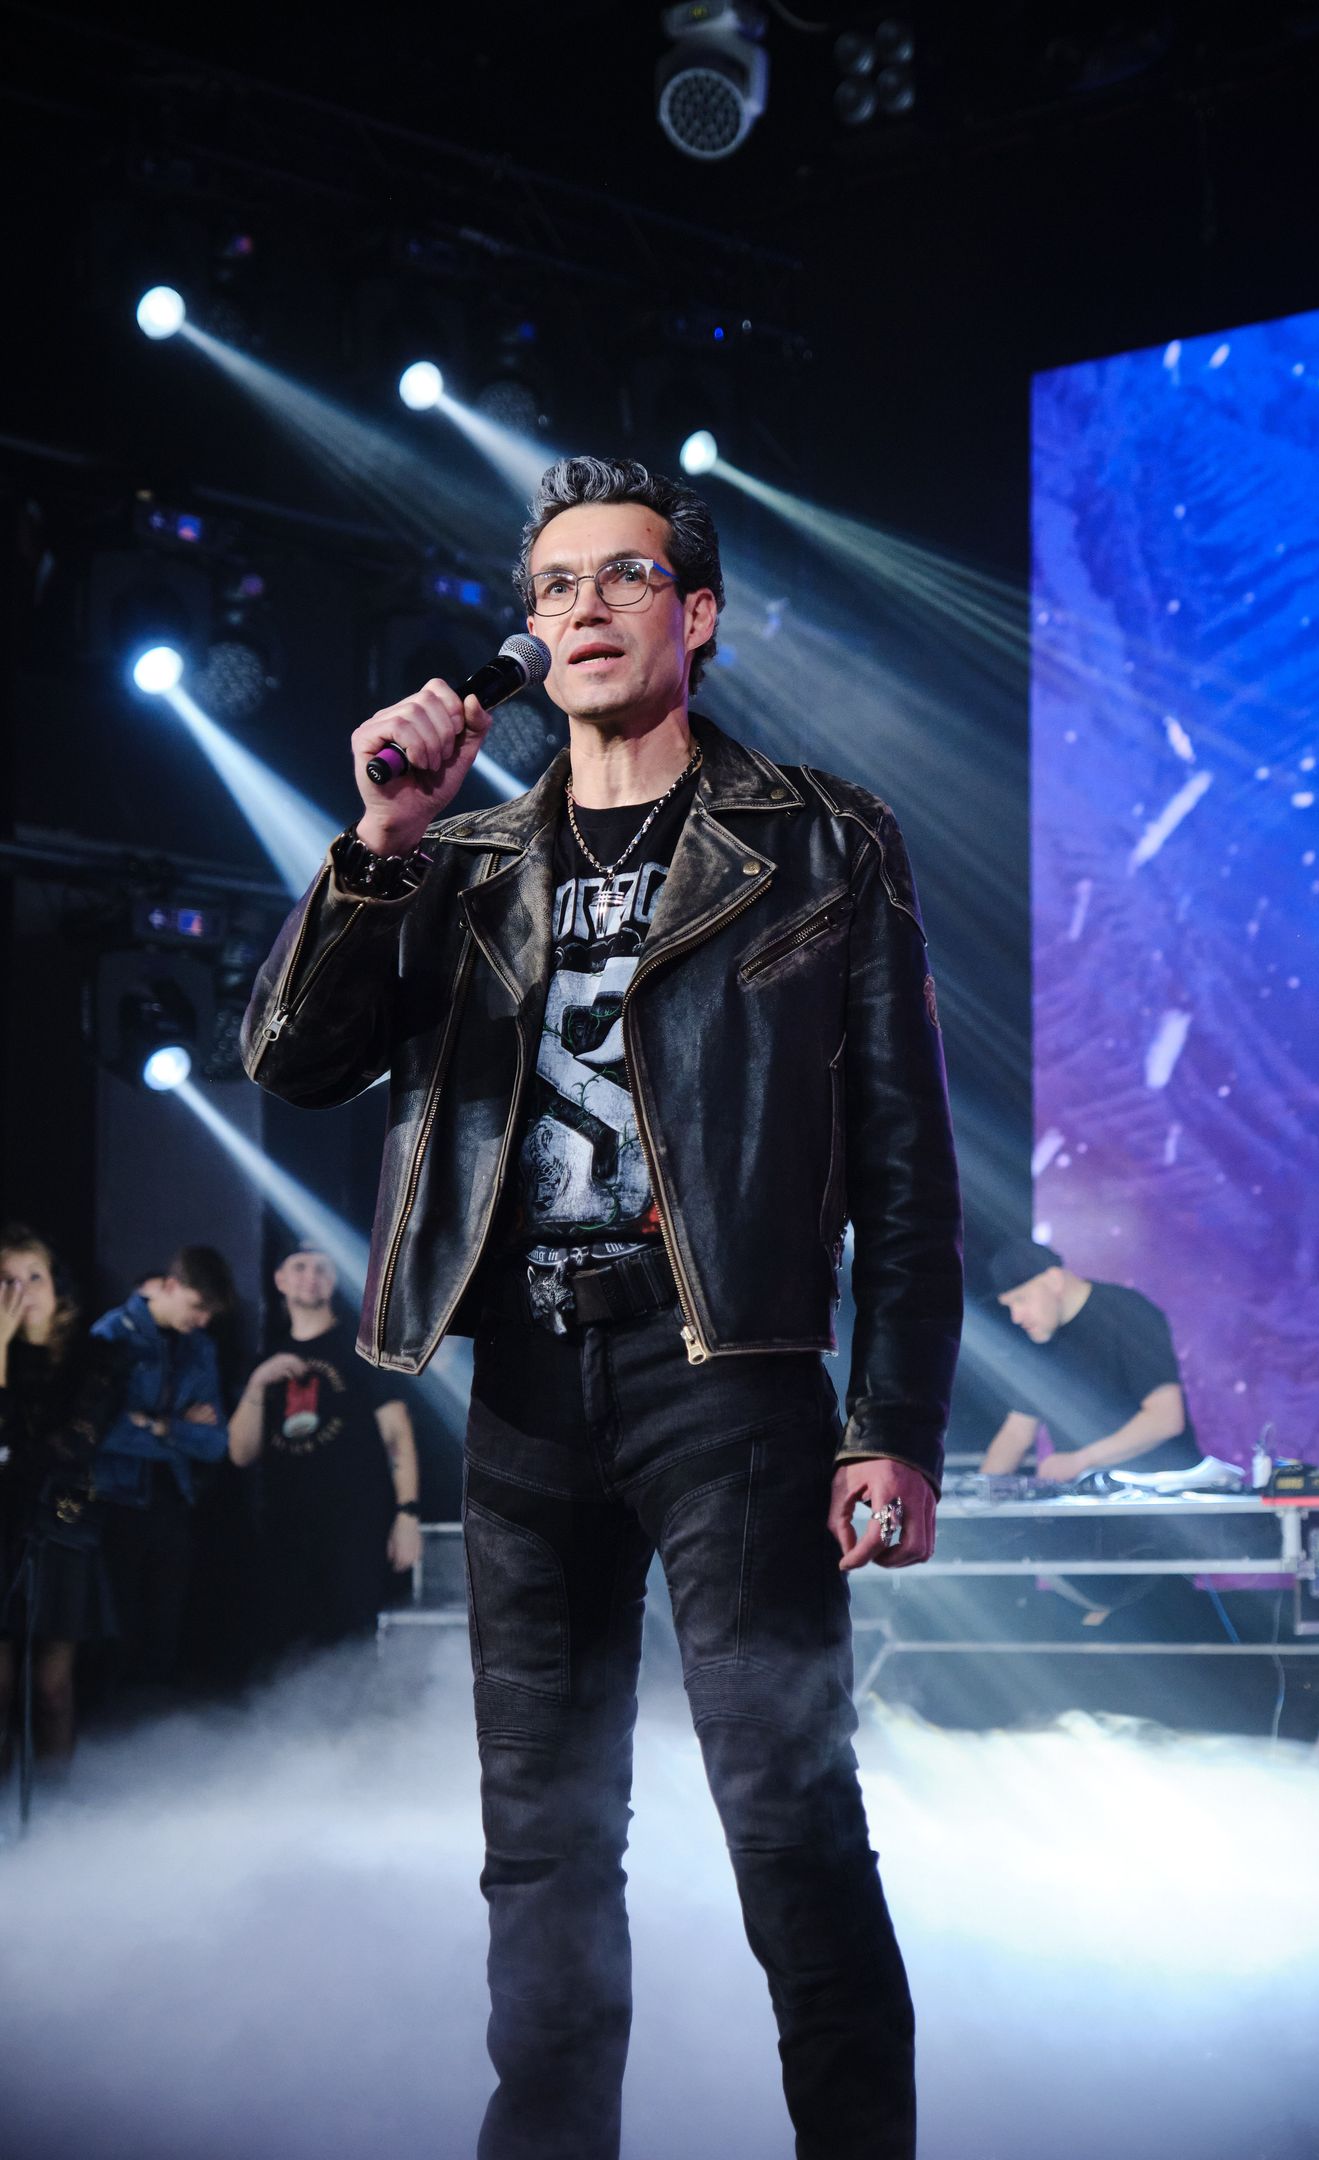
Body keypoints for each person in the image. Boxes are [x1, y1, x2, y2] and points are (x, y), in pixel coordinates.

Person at [242, 453, 963, 2160]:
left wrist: (894, 1425)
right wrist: (378, 844)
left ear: (693, 614)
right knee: (544, 1845)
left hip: (732, 1387)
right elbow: (289, 1058)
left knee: (789, 1822)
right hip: (524, 1395)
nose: (580, 609)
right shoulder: (457, 858)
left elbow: (905, 1164)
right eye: (552, 585)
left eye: (621, 576)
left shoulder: (818, 839)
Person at [227, 1244, 422, 1651]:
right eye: (300, 1267)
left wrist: (407, 1515)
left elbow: (397, 1433)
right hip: (285, 1530)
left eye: (321, 1269)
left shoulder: (363, 1349)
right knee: (287, 1652)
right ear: (280, 1280)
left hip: (355, 1530)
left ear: (333, 1282)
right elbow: (241, 1453)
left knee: (353, 1647)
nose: (311, 1277)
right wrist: (258, 1384)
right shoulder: (265, 1359)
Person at [0, 1227, 125, 1773]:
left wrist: (10, 1457)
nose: (20, 1291)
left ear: (56, 1286)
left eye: (34, 1277)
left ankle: (59, 1807)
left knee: (52, 1687)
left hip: (59, 1527)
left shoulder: (95, 1358)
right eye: (6, 1280)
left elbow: (69, 1450)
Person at [91, 1246, 234, 1690]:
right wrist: (180, 1430)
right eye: (197, 1307)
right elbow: (101, 1432)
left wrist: (156, 1424)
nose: (202, 1320)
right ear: (171, 1287)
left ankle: (154, 1724)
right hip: (114, 1502)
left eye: (210, 1313)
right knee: (116, 1633)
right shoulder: (112, 1333)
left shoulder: (201, 1347)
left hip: (174, 1503)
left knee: (163, 1635)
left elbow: (216, 1443)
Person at [979, 1237, 1203, 1481]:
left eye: (1021, 1300)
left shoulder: (1128, 1313)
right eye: (1009, 1306)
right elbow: (1017, 1433)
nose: (1016, 1316)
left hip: (1162, 1491)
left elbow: (1165, 1418)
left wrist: (1081, 1460)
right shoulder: (1038, 1340)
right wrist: (980, 1493)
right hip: (1091, 1496)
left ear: (1054, 1280)